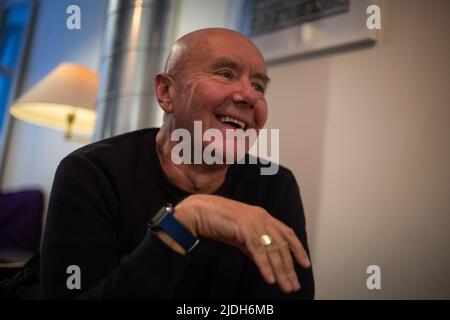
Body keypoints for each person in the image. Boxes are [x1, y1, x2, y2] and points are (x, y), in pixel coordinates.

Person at [40, 28, 315, 299]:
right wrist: (186, 221)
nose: (251, 96)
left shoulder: (274, 185)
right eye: (225, 74)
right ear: (166, 92)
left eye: (259, 86)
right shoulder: (91, 172)